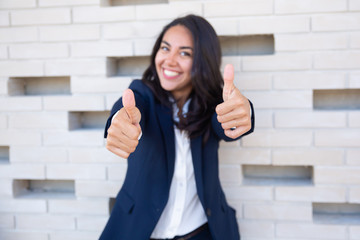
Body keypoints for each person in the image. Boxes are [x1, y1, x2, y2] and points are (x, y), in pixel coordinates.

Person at [100, 14, 254, 240]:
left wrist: (243, 112)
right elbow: (130, 109)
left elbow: (226, 123)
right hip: (139, 232)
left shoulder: (212, 105)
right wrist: (119, 121)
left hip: (203, 233)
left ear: (203, 61)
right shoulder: (143, 93)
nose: (170, 61)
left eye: (184, 53)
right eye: (165, 48)